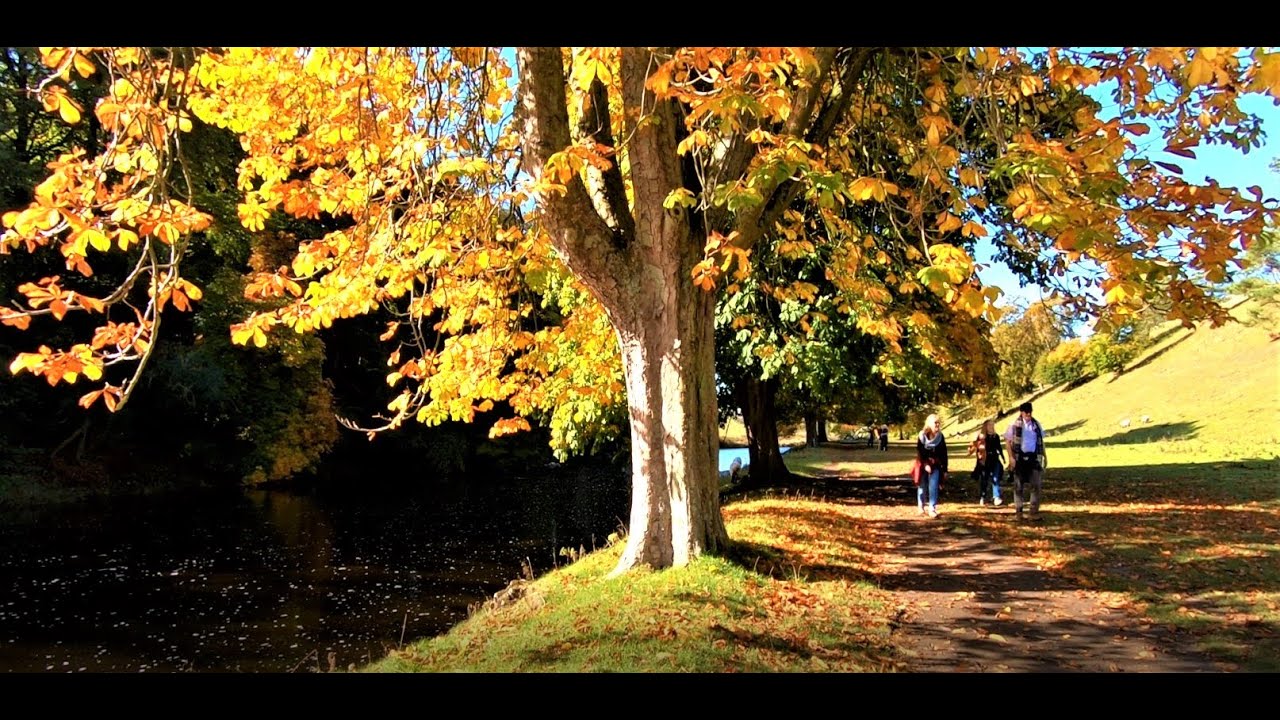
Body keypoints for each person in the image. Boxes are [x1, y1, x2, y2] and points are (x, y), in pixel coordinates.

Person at [1004, 401, 1046, 520]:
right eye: (1026, 412)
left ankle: (1033, 512)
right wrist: (1011, 457)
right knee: (1018, 486)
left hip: (1033, 457)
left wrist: (1044, 456)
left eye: (1030, 412)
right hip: (1019, 458)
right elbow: (1007, 441)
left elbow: (1041, 441)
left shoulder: (1036, 425)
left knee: (1036, 485)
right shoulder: (1014, 424)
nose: (1028, 414)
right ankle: (1019, 512)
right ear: (1021, 412)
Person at [915, 414, 948, 518]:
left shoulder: (940, 437)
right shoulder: (922, 436)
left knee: (933, 486)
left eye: (938, 422)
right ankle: (921, 507)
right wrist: (925, 464)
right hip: (922, 463)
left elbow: (944, 453)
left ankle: (932, 509)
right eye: (935, 423)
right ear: (929, 424)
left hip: (936, 465)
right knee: (922, 485)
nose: (937, 425)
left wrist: (945, 469)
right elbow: (920, 452)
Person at [968, 419, 1005, 506]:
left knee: (995, 478)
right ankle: (983, 496)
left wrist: (1003, 457)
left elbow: (998, 447)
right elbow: (975, 447)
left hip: (995, 459)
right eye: (989, 425)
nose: (991, 427)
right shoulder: (982, 437)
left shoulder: (996, 436)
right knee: (984, 479)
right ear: (985, 427)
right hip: (985, 461)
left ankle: (996, 497)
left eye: (993, 425)